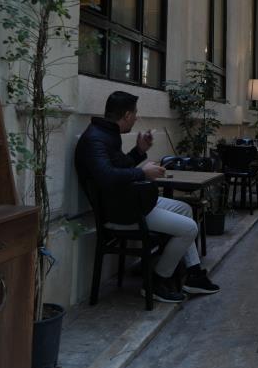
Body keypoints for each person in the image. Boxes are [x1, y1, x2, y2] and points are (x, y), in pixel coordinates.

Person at [75, 91, 221, 304]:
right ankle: (157, 281)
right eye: (135, 113)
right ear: (126, 115)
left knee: (185, 209)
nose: (136, 117)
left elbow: (118, 167)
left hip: (127, 202)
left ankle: (194, 274)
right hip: (121, 213)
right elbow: (106, 177)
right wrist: (142, 173)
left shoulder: (105, 134)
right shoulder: (95, 139)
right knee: (190, 228)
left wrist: (139, 151)